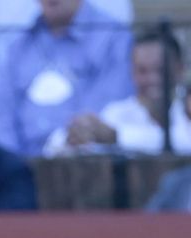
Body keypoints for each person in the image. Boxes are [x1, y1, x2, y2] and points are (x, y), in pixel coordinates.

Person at [0, 0, 132, 158]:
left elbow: (106, 113)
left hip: (84, 161)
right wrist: (11, 163)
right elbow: (0, 120)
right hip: (20, 166)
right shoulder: (19, 46)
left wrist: (66, 145)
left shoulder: (113, 39)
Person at [44, 30, 190, 156]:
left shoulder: (186, 111)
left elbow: (183, 141)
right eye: (142, 71)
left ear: (180, 70)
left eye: (160, 70)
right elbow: (53, 147)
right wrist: (75, 134)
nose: (152, 79)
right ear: (132, 72)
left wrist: (116, 136)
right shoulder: (117, 114)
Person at [0, 0, 131, 87]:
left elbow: (112, 96)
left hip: (87, 134)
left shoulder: (113, 34)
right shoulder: (21, 45)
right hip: (19, 135)